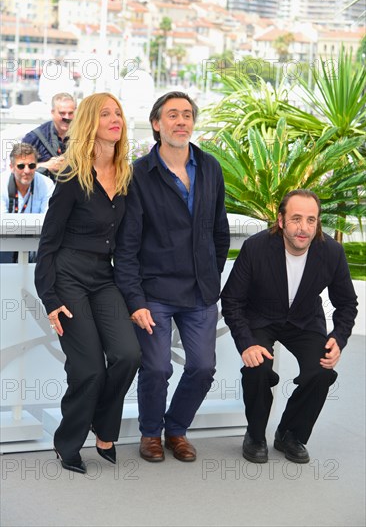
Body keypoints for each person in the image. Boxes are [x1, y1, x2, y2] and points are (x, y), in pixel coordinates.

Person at [114, 91, 230, 463]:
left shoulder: (210, 167)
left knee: (202, 367)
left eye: (187, 115)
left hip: (200, 290)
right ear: (156, 124)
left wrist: (211, 275)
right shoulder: (138, 174)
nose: (181, 121)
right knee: (157, 367)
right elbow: (127, 246)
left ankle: (177, 429)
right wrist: (136, 300)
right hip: (155, 291)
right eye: (173, 115)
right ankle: (151, 433)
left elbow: (219, 231)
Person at [34, 92, 141, 475]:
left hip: (104, 277)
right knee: (89, 369)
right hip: (68, 278)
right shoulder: (70, 175)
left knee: (129, 354)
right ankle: (68, 442)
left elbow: (128, 243)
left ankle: (105, 426)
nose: (115, 118)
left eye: (119, 112)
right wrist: (50, 298)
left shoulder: (127, 175)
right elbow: (47, 244)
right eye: (105, 113)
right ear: (90, 123)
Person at [220, 189, 358, 464]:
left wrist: (338, 339)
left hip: (305, 321)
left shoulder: (331, 251)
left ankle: (289, 434)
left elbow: (347, 304)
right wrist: (247, 343)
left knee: (321, 372)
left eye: (311, 220)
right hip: (262, 317)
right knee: (257, 367)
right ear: (281, 221)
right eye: (296, 219)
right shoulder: (256, 247)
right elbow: (232, 300)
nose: (303, 228)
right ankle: (255, 435)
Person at [0, 143, 55, 262]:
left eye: (31, 165)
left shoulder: (47, 184)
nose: (27, 171)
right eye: (21, 166)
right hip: (5, 242)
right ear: (11, 167)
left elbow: (49, 221)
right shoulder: (1, 183)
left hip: (37, 242)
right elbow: (2, 223)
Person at [22, 92, 76, 179]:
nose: (67, 117)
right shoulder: (34, 138)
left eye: (70, 113)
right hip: (44, 190)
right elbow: (19, 168)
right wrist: (46, 166)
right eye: (62, 113)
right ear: (52, 112)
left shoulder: (82, 135)